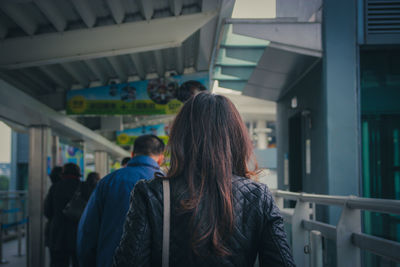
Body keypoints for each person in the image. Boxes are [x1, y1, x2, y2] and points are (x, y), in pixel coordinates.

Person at [112, 92, 295, 266]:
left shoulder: (151, 193)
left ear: (180, 138)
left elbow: (130, 261)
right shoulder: (258, 196)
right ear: (237, 139)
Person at [77, 135, 165, 267]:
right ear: (161, 159)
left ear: (132, 154)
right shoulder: (167, 185)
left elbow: (88, 231)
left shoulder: (108, 182)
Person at [44, 163, 82, 267]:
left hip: (58, 235)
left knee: (58, 263)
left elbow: (47, 211)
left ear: (63, 174)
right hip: (79, 234)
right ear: (78, 174)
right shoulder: (84, 187)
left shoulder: (55, 188)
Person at [45, 166, 63, 249]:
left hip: (56, 230)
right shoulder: (81, 186)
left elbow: (47, 211)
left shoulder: (54, 188)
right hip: (77, 231)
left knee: (57, 260)